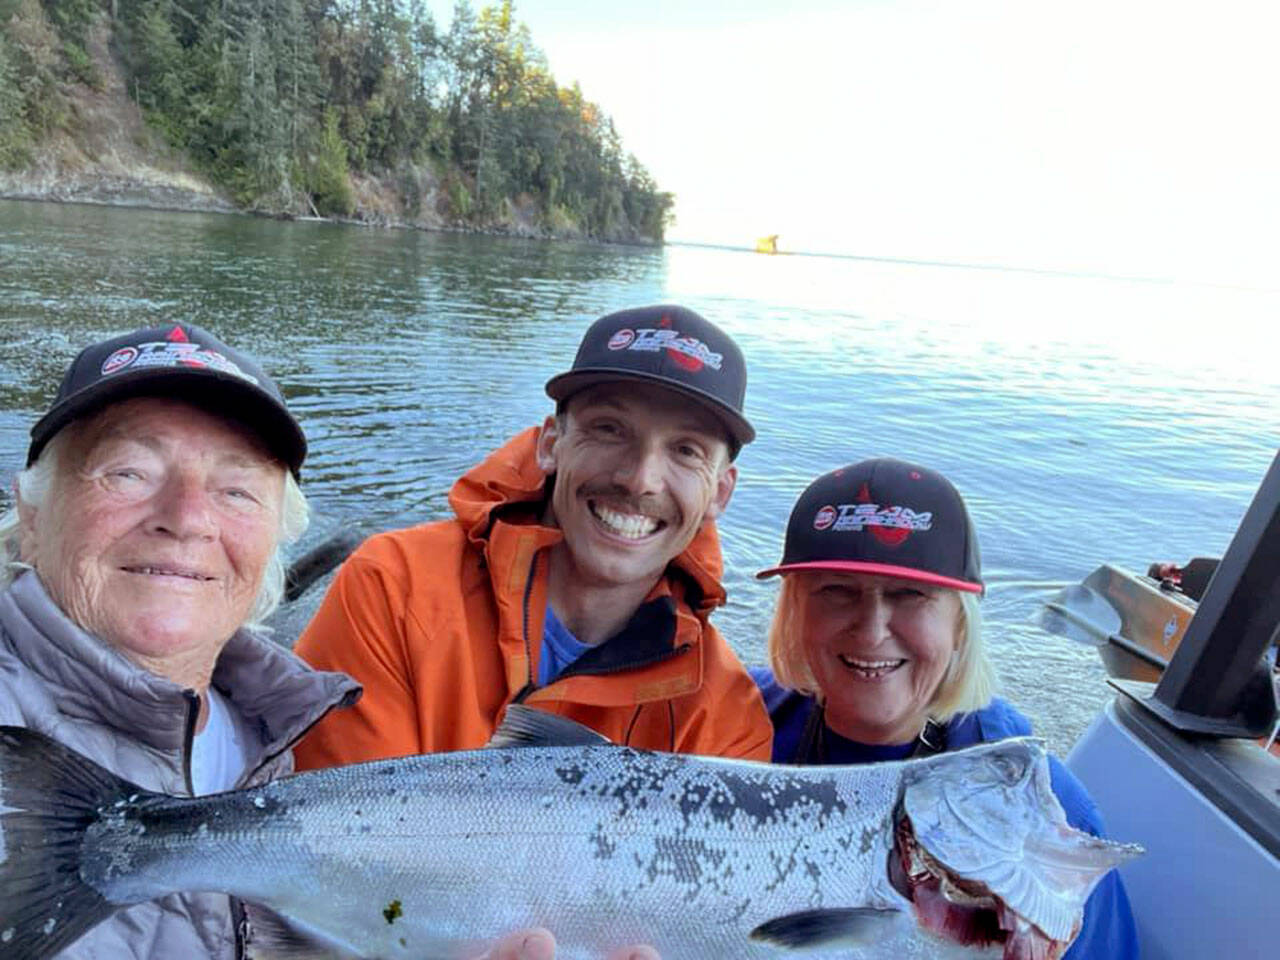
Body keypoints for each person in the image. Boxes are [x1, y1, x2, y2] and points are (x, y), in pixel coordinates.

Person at [0, 323, 360, 959]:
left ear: (274, 540)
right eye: (129, 473)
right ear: (31, 515)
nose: (188, 518)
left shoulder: (276, 734)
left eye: (236, 490)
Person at [293, 304, 772, 767]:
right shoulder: (395, 588)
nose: (640, 479)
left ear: (720, 492)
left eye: (686, 451)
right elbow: (339, 813)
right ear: (550, 444)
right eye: (610, 429)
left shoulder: (727, 719)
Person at [750, 457, 1139, 960]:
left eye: (909, 595)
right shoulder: (732, 719)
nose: (871, 630)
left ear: (959, 623)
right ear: (795, 610)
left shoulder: (1042, 819)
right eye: (837, 591)